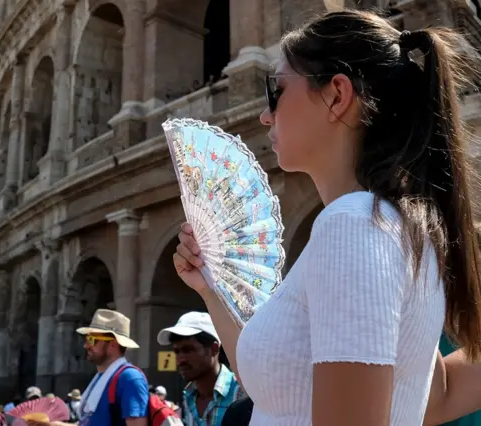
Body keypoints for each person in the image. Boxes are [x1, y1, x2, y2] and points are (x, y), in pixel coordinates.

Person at [173, 8, 481, 426]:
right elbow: (436, 395)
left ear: (337, 94)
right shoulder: (398, 226)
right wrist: (210, 289)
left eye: (276, 90)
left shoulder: (353, 225)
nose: (266, 114)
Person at [52, 309, 148, 426]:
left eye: (92, 340)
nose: (86, 345)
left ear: (113, 344)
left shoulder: (130, 378)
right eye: (87, 339)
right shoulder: (101, 378)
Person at [157, 312, 243, 426]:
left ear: (214, 349)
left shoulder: (241, 393)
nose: (180, 360)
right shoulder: (188, 397)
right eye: (177, 352)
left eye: (188, 350)